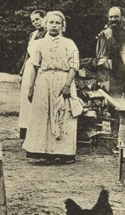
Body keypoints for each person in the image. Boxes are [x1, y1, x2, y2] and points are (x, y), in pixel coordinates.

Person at [22, 11, 83, 164]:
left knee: (64, 114)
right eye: (51, 22)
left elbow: (74, 66)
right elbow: (35, 67)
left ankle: (65, 153)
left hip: (63, 81)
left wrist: (67, 85)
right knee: (44, 116)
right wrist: (31, 88)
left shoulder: (69, 43)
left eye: (57, 23)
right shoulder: (40, 44)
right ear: (46, 24)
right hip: (44, 81)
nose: (54, 25)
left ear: (63, 26)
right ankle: (45, 152)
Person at [18, 10, 47, 139]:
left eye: (37, 19)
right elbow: (27, 55)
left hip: (41, 67)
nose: (35, 22)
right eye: (33, 21)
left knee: (38, 96)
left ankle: (38, 130)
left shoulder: (49, 34)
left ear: (44, 18)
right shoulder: (33, 34)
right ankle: (26, 129)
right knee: (26, 98)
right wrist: (22, 71)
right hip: (30, 67)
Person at [95, 7, 125, 99]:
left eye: (116, 17)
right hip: (103, 73)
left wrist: (110, 38)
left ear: (121, 18)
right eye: (111, 17)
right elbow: (98, 53)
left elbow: (120, 52)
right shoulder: (103, 33)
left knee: (115, 101)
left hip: (117, 75)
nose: (113, 19)